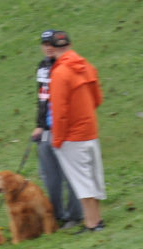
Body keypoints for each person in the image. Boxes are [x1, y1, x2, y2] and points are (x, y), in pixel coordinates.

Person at [47, 30, 106, 233]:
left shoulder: (60, 73)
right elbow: (98, 99)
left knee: (82, 181)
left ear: (52, 49)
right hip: (90, 130)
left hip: (72, 136)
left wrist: (57, 138)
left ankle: (91, 223)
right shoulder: (86, 66)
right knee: (93, 176)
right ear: (69, 45)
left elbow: (59, 112)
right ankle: (96, 219)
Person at [31, 29, 81, 230]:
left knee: (70, 174)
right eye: (45, 44)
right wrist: (39, 125)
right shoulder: (42, 67)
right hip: (47, 129)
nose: (48, 47)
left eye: (51, 43)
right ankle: (57, 215)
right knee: (49, 175)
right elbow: (42, 99)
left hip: (68, 128)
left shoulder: (66, 66)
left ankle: (75, 215)